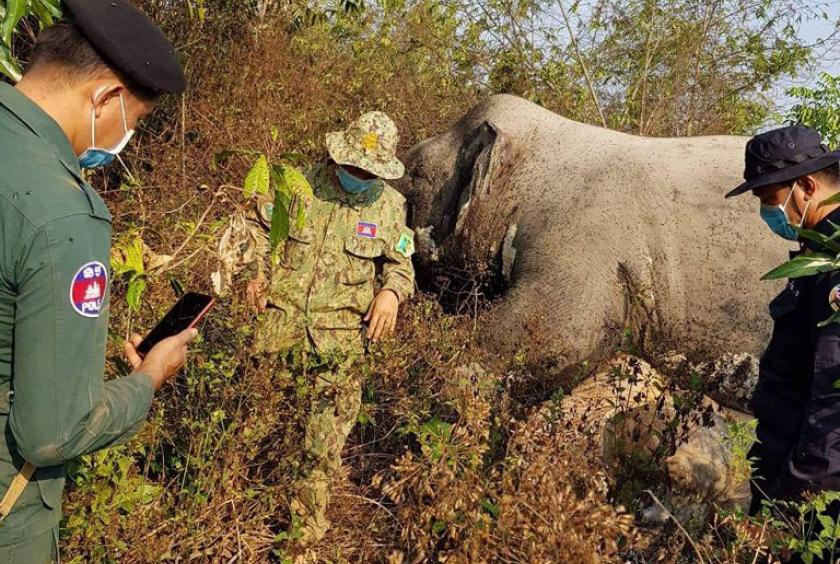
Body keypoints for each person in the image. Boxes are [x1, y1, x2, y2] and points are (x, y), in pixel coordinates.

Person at [0, 1, 196, 560]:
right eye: (132, 123)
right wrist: (147, 380)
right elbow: (51, 430)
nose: (123, 139)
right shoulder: (63, 214)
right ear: (105, 97)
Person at [228, 111, 415, 543]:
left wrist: (391, 293)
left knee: (321, 450)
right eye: (351, 166)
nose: (357, 175)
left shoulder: (390, 206)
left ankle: (302, 540)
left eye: (367, 171)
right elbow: (255, 232)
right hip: (277, 326)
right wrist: (253, 275)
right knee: (247, 426)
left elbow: (401, 265)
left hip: (342, 345)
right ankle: (230, 509)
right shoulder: (298, 185)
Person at [726, 125, 840, 530]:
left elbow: (832, 400)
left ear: (806, 185)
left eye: (768, 198)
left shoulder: (835, 265)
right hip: (788, 465)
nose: (766, 214)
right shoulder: (817, 252)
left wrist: (795, 505)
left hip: (811, 493)